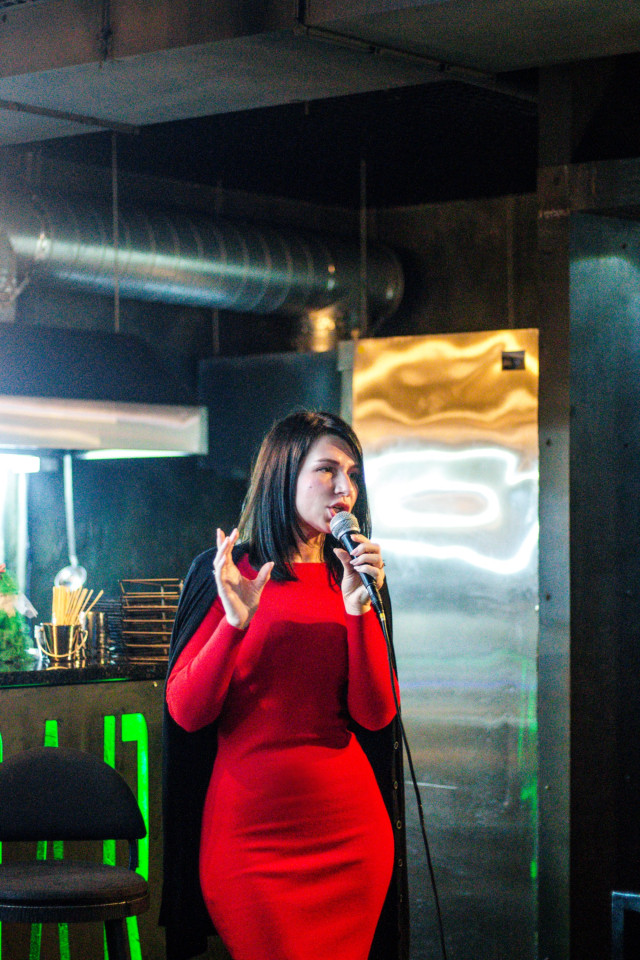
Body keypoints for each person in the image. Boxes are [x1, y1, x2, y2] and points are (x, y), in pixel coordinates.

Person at [160, 409, 409, 960]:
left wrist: (358, 609)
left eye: (352, 474)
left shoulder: (357, 576)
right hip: (250, 842)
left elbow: (375, 715)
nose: (345, 489)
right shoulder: (228, 570)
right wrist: (233, 623)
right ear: (283, 474)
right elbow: (187, 713)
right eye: (327, 470)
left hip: (351, 837)